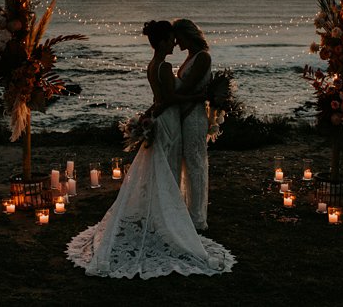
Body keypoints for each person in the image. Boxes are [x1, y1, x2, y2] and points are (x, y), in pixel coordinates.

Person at [67, 20, 234, 279]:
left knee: (169, 166)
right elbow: (168, 98)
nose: (175, 43)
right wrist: (199, 98)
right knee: (167, 166)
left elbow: (161, 98)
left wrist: (149, 113)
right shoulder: (165, 65)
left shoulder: (155, 64)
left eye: (176, 38)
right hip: (171, 121)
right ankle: (167, 216)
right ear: (163, 41)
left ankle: (175, 214)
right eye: (171, 39)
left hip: (170, 119)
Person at [173, 18, 212, 232]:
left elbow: (186, 89)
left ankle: (196, 218)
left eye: (178, 37)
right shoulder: (190, 56)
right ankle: (185, 212)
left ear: (187, 35)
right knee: (186, 164)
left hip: (194, 118)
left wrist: (167, 97)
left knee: (195, 165)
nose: (176, 42)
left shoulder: (202, 57)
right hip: (185, 115)